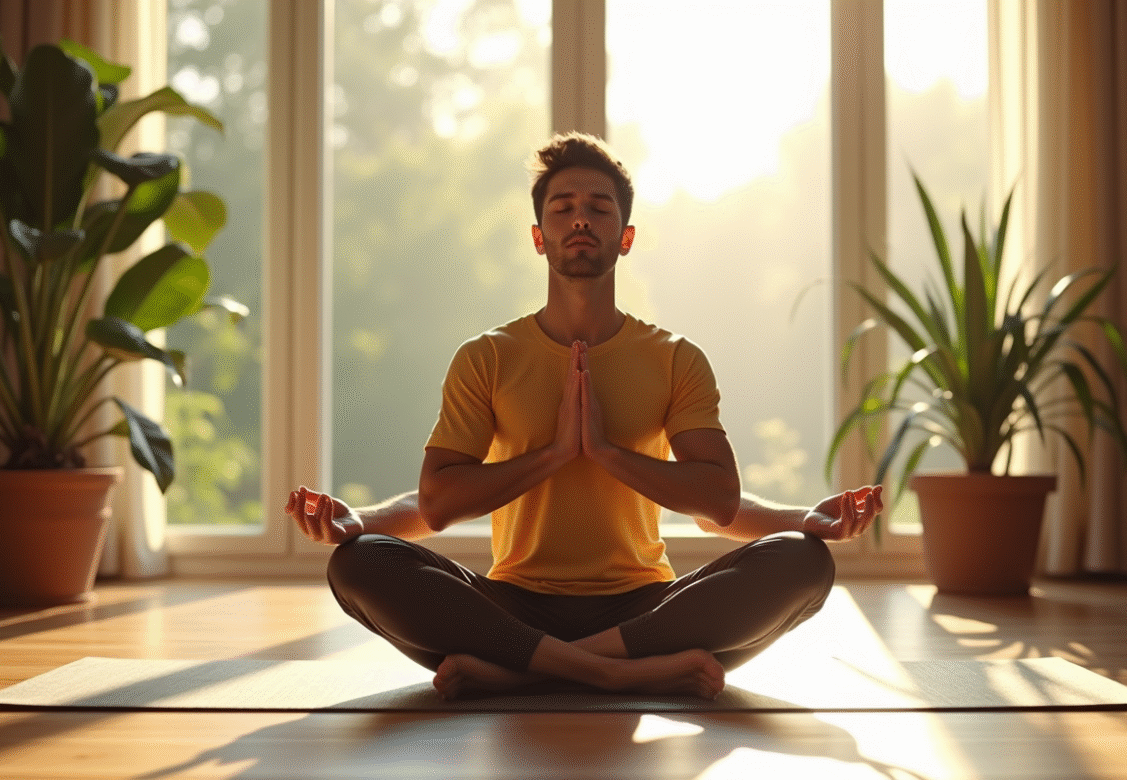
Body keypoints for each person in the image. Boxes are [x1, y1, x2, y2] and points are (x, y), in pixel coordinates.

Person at [285, 132, 883, 701]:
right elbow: (438, 503)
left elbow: (718, 501)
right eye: (563, 207)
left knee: (804, 562)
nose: (580, 219)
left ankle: (528, 672)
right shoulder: (487, 357)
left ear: (624, 236)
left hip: (644, 608)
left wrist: (607, 453)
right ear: (539, 236)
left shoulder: (674, 358)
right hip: (511, 604)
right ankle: (621, 673)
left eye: (599, 208)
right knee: (358, 563)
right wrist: (549, 456)